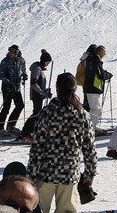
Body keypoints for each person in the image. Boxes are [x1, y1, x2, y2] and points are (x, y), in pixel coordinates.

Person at [27, 73, 97, 213]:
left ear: (57, 87)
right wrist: (90, 174)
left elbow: (37, 147)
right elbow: (89, 149)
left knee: (38, 210)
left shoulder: (47, 112)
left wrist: (31, 175)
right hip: (69, 174)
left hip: (45, 174)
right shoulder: (82, 114)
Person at [0, 45, 28, 136]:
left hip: (16, 87)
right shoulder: (5, 61)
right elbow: (0, 74)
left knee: (20, 105)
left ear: (16, 52)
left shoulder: (21, 60)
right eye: (9, 51)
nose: (10, 53)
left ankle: (11, 125)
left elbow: (23, 70)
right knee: (6, 107)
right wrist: (7, 82)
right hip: (7, 87)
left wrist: (24, 76)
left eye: (12, 51)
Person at [81, 46, 111, 131]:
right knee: (96, 109)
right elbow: (100, 75)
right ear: (99, 52)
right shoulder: (96, 60)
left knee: (93, 108)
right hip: (94, 88)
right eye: (104, 52)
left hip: (89, 87)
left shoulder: (89, 60)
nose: (105, 54)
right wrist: (108, 75)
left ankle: (90, 126)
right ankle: (91, 128)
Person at [29, 51, 53, 120]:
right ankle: (29, 125)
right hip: (36, 95)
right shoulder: (37, 69)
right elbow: (33, 83)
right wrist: (42, 92)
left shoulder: (39, 69)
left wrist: (45, 91)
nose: (47, 64)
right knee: (36, 113)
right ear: (43, 61)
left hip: (39, 95)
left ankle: (33, 125)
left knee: (38, 112)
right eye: (47, 62)